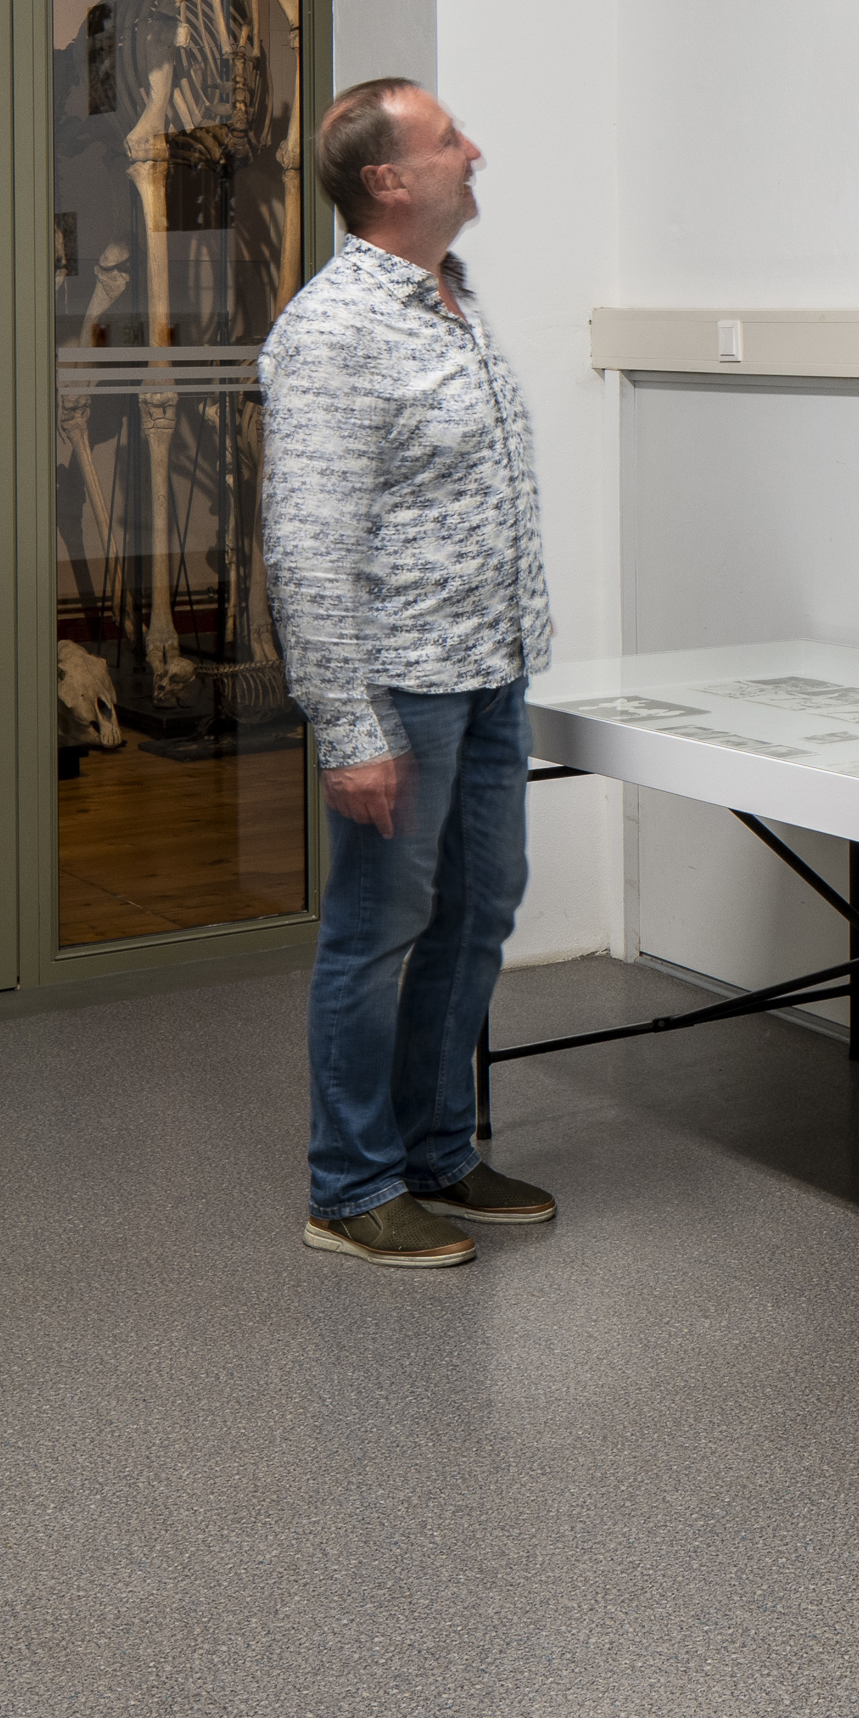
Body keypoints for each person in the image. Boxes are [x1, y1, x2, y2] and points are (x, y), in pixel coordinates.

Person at [259, 76, 558, 1267]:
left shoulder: (450, 299)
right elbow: (306, 544)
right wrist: (349, 725)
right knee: (375, 932)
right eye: (447, 140)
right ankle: (350, 1187)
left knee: (478, 911)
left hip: (489, 671)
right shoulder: (334, 328)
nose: (472, 150)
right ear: (388, 178)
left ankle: (437, 1152)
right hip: (400, 689)